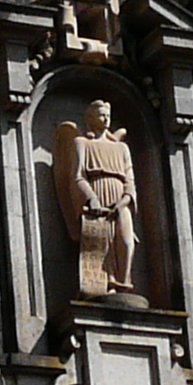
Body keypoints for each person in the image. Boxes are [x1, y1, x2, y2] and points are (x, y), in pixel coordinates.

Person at [55, 100, 141, 297]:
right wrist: (91, 198)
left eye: (108, 115)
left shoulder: (121, 148)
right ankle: (107, 282)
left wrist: (124, 201)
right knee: (103, 241)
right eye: (101, 115)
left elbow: (130, 180)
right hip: (96, 195)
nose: (106, 119)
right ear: (91, 119)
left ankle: (124, 281)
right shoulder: (82, 143)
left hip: (120, 199)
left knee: (127, 240)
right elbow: (77, 176)